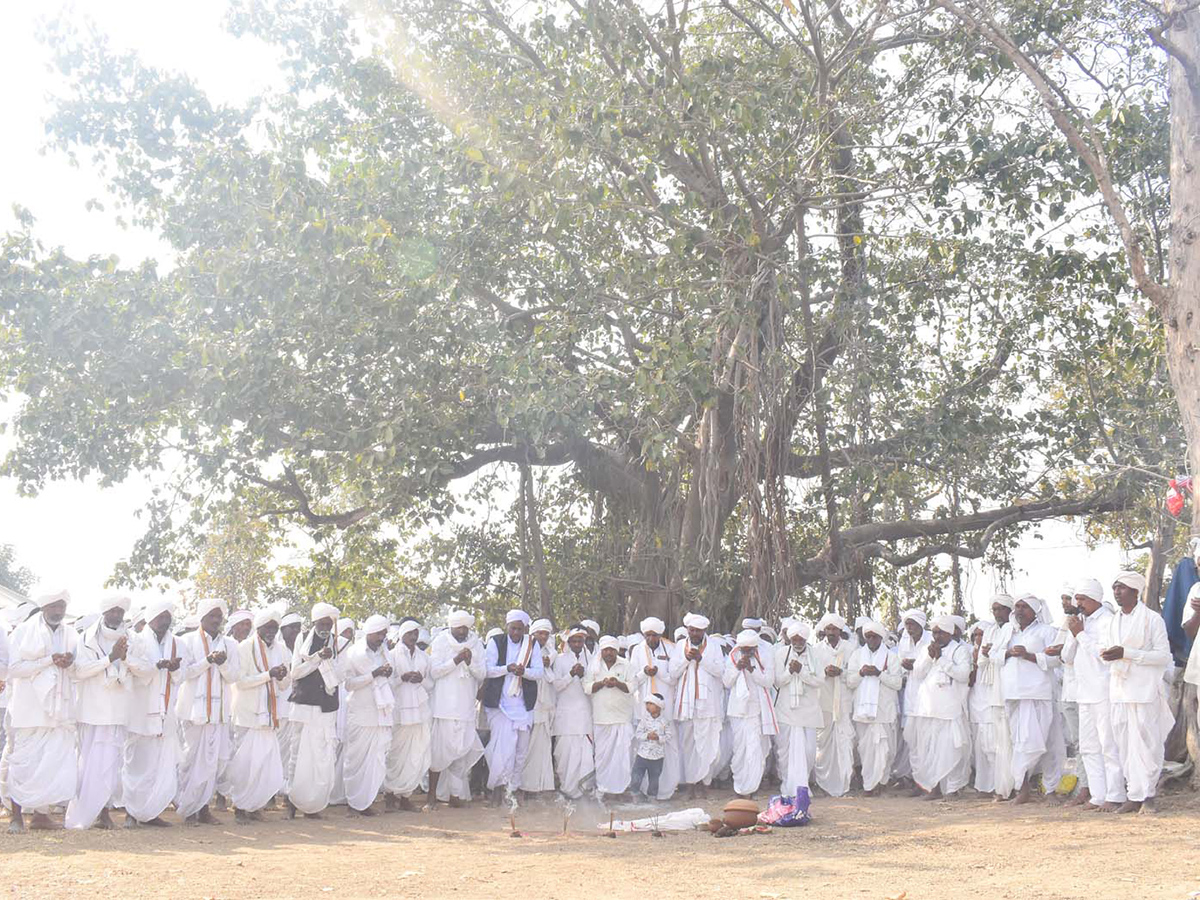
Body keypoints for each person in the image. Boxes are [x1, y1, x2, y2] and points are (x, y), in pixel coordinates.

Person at [2, 590, 77, 832]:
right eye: (54, 606)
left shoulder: (70, 633)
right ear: (44, 607)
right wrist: (48, 661)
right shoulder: (24, 632)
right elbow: (14, 669)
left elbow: (78, 666)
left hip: (57, 710)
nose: (58, 611)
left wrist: (68, 662)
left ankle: (41, 816)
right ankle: (16, 817)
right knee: (23, 762)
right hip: (28, 709)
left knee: (49, 764)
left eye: (61, 607)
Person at [1103, 571, 1173, 813]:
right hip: (1120, 690)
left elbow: (1164, 656)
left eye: (1121, 588)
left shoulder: (1152, 619)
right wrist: (1109, 655)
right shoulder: (1113, 620)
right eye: (1114, 588)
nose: (1117, 592)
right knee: (1125, 744)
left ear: (1135, 591)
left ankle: (1148, 795)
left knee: (1148, 744)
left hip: (1144, 691)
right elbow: (1109, 651)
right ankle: (1134, 794)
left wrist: (1128, 653)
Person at [66, 595, 132, 830]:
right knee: (89, 763)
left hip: (117, 710)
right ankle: (90, 811)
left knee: (111, 764)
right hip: (92, 711)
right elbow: (79, 671)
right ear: (104, 613)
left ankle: (105, 810)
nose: (116, 616)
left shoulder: (131, 638)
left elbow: (139, 667)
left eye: (120, 612)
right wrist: (110, 658)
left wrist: (124, 661)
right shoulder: (86, 639)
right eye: (112, 611)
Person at [174, 597, 238, 825]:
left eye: (219, 616)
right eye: (212, 616)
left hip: (219, 712)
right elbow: (185, 674)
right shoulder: (187, 641)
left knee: (212, 763)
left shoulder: (230, 644)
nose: (216, 620)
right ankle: (187, 807)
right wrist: (207, 661)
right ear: (201, 618)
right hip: (193, 711)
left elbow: (234, 677)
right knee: (191, 759)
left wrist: (222, 664)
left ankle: (203, 808)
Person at [1061, 578, 1122, 811]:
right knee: (1088, 747)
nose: (1079, 603)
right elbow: (1066, 657)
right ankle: (1098, 795)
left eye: (1083, 599)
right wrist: (1074, 633)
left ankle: (1115, 794)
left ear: (1096, 599)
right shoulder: (1078, 623)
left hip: (1104, 691)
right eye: (1077, 599)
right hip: (1083, 693)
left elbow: (1104, 655)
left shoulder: (1108, 621)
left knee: (1108, 745)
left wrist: (1081, 635)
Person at [123, 598, 182, 827]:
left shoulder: (177, 643)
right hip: (140, 710)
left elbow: (183, 675)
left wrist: (174, 670)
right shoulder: (136, 640)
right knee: (136, 764)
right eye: (160, 617)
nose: (164, 621)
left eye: (167, 617)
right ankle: (130, 811)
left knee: (158, 765)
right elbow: (131, 665)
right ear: (150, 618)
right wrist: (156, 666)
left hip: (165, 713)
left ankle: (150, 812)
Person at [228, 609, 290, 824]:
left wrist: (280, 677)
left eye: (275, 628)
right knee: (245, 763)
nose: (271, 632)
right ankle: (240, 806)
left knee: (263, 763)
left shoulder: (282, 650)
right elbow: (240, 681)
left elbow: (285, 684)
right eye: (267, 628)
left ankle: (255, 806)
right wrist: (268, 675)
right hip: (247, 714)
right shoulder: (244, 648)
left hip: (269, 716)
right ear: (259, 628)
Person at [1001, 594, 1064, 803]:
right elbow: (992, 655)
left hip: (1040, 693)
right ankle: (1023, 789)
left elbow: (1057, 659)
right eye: (1017, 607)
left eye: (1024, 607)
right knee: (1019, 742)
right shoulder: (1008, 632)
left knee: (1047, 742)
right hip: (1014, 694)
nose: (1019, 611)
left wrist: (1030, 656)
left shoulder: (1047, 631)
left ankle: (1051, 790)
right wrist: (1008, 652)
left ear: (1035, 610)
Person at [287, 602, 344, 818]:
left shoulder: (336, 642)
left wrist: (330, 660)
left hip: (326, 707)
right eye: (322, 623)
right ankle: (293, 803)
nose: (326, 627)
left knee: (321, 756)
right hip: (304, 705)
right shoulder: (303, 640)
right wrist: (318, 657)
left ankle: (314, 805)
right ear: (314, 622)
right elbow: (295, 673)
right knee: (299, 754)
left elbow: (341, 674)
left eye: (329, 624)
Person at [482, 609, 544, 805]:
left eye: (520, 629)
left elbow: (539, 673)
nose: (516, 633)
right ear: (507, 626)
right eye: (513, 628)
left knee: (520, 751)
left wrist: (523, 672)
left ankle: (513, 790)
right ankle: (497, 790)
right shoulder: (496, 642)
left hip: (523, 706)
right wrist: (507, 668)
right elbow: (488, 670)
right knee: (501, 749)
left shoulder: (531, 644)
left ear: (525, 629)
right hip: (499, 705)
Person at [427, 610, 485, 807]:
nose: (462, 631)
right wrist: (456, 660)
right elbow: (435, 672)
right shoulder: (441, 642)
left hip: (466, 708)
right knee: (439, 753)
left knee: (461, 754)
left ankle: (455, 796)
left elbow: (482, 673)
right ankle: (431, 796)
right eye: (459, 627)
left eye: (465, 628)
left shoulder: (476, 643)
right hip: (444, 707)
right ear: (451, 626)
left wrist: (469, 662)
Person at [911, 614, 972, 799]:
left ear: (950, 633)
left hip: (950, 709)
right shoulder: (926, 650)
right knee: (929, 750)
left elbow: (963, 675)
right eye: (935, 633)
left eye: (941, 633)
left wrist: (942, 660)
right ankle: (934, 788)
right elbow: (918, 674)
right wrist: (930, 657)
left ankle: (952, 789)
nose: (937, 637)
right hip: (928, 708)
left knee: (950, 749)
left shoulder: (959, 650)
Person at [341, 615, 395, 816]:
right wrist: (373, 674)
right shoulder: (354, 653)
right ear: (369, 632)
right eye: (379, 633)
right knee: (356, 760)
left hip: (381, 713)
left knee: (376, 760)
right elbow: (348, 684)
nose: (382, 637)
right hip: (361, 712)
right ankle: (353, 803)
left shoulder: (384, 653)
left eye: (384, 633)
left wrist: (386, 673)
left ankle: (366, 801)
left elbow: (391, 677)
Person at [669, 612, 725, 797]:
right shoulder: (679, 646)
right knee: (689, 745)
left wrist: (702, 659)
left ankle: (705, 783)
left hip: (708, 705)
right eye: (691, 630)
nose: (694, 634)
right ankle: (692, 783)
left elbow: (720, 671)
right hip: (687, 706)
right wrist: (686, 658)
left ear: (704, 631)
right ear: (688, 630)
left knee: (708, 745)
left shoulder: (714, 646)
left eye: (698, 631)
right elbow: (672, 673)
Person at [846, 619, 902, 795]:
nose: (871, 639)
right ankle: (870, 784)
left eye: (874, 636)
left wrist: (879, 673)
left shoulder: (891, 657)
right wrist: (862, 673)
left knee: (887, 750)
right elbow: (850, 681)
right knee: (867, 750)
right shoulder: (856, 656)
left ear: (880, 637)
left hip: (884, 711)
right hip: (863, 712)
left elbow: (898, 683)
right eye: (868, 636)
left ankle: (882, 780)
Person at [628, 616, 679, 800]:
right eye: (648, 635)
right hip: (644, 707)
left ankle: (666, 789)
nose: (651, 639)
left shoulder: (671, 648)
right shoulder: (637, 651)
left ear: (660, 634)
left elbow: (675, 677)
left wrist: (660, 673)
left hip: (666, 706)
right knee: (642, 745)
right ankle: (640, 790)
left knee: (668, 744)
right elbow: (632, 681)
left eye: (654, 635)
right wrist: (644, 673)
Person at [723, 629, 777, 797]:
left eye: (749, 650)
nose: (746, 653)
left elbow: (768, 681)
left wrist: (752, 670)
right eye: (743, 650)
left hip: (757, 710)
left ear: (755, 647)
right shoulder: (733, 656)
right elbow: (726, 682)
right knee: (740, 750)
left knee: (755, 749)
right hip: (738, 710)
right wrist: (737, 668)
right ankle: (740, 786)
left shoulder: (766, 655)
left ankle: (751, 788)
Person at [385, 619, 431, 811]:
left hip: (419, 712)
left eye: (416, 633)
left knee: (414, 754)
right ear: (402, 634)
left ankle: (405, 796)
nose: (413, 637)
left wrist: (421, 680)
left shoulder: (423, 657)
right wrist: (401, 679)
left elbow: (431, 684)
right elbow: (386, 683)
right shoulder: (392, 655)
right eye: (409, 633)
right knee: (395, 753)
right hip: (399, 710)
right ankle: (389, 794)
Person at [774, 620, 823, 796]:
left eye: (800, 638)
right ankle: (788, 786)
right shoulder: (781, 654)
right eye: (793, 638)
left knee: (809, 751)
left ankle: (803, 785)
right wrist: (790, 672)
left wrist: (801, 672)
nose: (797, 641)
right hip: (786, 710)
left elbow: (819, 681)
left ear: (805, 638)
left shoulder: (815, 654)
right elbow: (777, 681)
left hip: (808, 710)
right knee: (785, 751)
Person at [585, 634, 634, 800]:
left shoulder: (626, 664)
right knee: (602, 756)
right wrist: (601, 683)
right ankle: (603, 788)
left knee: (622, 756)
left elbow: (632, 687)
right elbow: (586, 687)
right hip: (601, 717)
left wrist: (617, 684)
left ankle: (620, 790)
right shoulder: (594, 666)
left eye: (612, 650)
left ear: (617, 650)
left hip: (622, 717)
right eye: (605, 650)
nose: (608, 653)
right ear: (601, 650)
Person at [977, 594, 1016, 798]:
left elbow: (1008, 655)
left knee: (1011, 740)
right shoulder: (990, 630)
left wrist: (995, 652)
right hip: (993, 690)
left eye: (1001, 609)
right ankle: (1001, 787)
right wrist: (986, 653)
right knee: (998, 743)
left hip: (1009, 688)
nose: (998, 613)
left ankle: (1014, 786)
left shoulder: (1013, 628)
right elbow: (982, 663)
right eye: (995, 609)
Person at [812, 612, 854, 797]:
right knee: (823, 743)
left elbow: (855, 676)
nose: (831, 632)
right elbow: (812, 674)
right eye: (828, 629)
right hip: (824, 701)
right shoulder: (816, 650)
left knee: (845, 741)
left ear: (840, 630)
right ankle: (823, 783)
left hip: (845, 702)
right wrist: (825, 672)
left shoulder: (851, 649)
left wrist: (841, 672)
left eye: (834, 629)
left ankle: (845, 782)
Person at [551, 626, 595, 798]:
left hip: (584, 713)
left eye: (580, 641)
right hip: (565, 714)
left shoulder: (591, 659)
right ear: (568, 643)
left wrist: (583, 675)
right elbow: (556, 685)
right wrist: (570, 675)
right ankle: (567, 788)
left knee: (584, 753)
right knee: (564, 754)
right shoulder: (560, 660)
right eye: (574, 641)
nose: (577, 644)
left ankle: (583, 790)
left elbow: (593, 687)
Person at [520, 618, 557, 796]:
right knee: (525, 746)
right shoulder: (524, 652)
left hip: (545, 705)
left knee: (542, 746)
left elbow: (555, 678)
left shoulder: (553, 654)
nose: (542, 636)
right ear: (532, 634)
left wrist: (548, 664)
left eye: (545, 634)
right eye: (539, 633)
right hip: (528, 703)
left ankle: (539, 786)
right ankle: (524, 786)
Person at [893, 609, 929, 788]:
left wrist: (917, 665)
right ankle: (917, 781)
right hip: (910, 693)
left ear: (921, 624)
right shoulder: (904, 641)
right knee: (912, 739)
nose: (909, 628)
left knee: (926, 740)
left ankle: (928, 782)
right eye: (907, 624)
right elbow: (900, 664)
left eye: (912, 624)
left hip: (929, 694)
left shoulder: (930, 640)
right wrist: (905, 666)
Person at [276, 611, 304, 794]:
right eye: (292, 628)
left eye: (298, 628)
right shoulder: (276, 649)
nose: (295, 631)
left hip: (297, 708)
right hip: (278, 707)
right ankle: (272, 789)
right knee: (276, 751)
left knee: (293, 751)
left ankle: (287, 789)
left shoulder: (303, 650)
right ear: (283, 630)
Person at [630, 693, 672, 800]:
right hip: (642, 755)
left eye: (650, 704)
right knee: (636, 776)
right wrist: (647, 736)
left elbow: (669, 736)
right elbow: (638, 734)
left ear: (658, 707)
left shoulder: (664, 722)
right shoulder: (644, 720)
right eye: (646, 704)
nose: (647, 706)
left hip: (657, 756)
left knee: (654, 778)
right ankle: (635, 794)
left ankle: (652, 797)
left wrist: (658, 738)